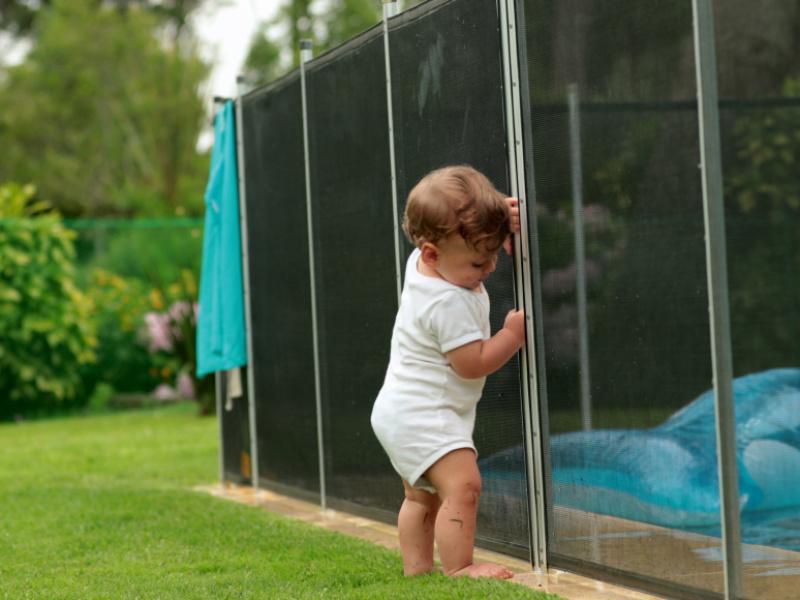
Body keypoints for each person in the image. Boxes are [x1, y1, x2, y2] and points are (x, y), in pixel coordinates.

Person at [371, 165, 525, 579]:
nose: (490, 267)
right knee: (464, 486)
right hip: (425, 413)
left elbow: (454, 224)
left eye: (494, 253)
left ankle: (417, 571)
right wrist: (511, 336)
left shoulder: (424, 261)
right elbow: (471, 363)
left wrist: (497, 219)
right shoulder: (446, 303)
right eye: (479, 262)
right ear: (433, 253)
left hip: (399, 410)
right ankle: (460, 567)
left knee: (421, 497)